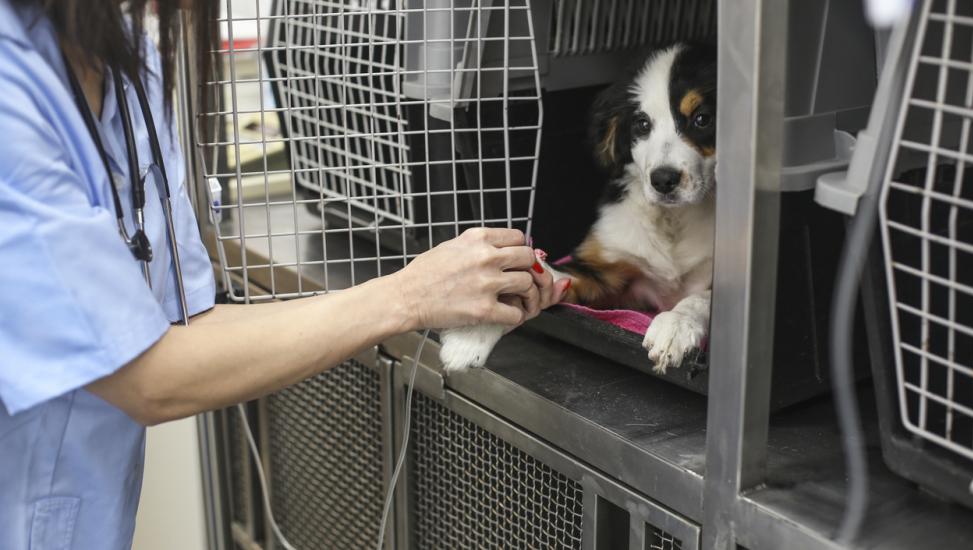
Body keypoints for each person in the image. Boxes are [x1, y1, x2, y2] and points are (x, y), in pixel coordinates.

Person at [0, 1, 567, 548]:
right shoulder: (11, 87)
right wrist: (411, 294)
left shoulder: (131, 69)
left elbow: (183, 325)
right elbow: (145, 375)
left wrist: (433, 286)